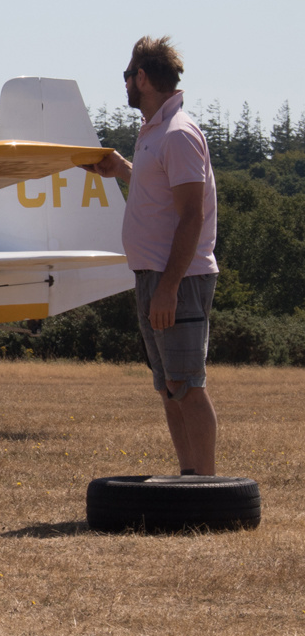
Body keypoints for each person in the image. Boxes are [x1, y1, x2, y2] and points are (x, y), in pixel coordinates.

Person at [84, 37, 219, 478]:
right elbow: (160, 194)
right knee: (168, 386)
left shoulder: (178, 134)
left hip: (174, 279)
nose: (124, 83)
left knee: (187, 385)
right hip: (153, 277)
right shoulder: (154, 134)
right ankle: (188, 481)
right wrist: (121, 168)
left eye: (127, 75)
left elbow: (191, 217)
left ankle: (205, 488)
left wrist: (168, 288)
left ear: (142, 77)